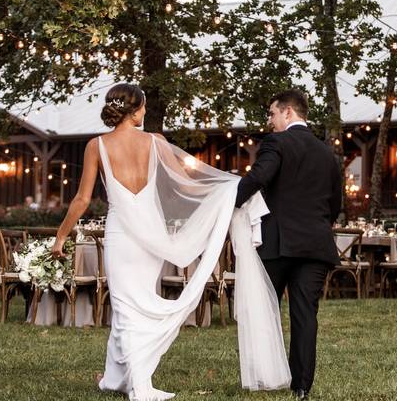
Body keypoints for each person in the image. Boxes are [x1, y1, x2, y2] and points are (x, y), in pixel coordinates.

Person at [51, 83, 289, 401]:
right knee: (136, 306)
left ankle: (138, 385)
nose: (146, 112)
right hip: (151, 234)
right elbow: (188, 188)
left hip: (122, 234)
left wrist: (60, 237)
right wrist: (233, 188)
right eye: (144, 107)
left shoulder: (97, 146)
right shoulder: (156, 142)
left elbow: (81, 200)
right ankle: (116, 378)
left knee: (124, 308)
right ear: (135, 110)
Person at [235, 89, 343, 400]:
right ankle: (301, 387)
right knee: (305, 314)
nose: (269, 121)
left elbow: (258, 177)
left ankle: (264, 375)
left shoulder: (276, 143)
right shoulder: (328, 154)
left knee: (263, 308)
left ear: (288, 113)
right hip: (316, 244)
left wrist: (228, 202)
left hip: (277, 243)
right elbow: (335, 204)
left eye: (272, 113)